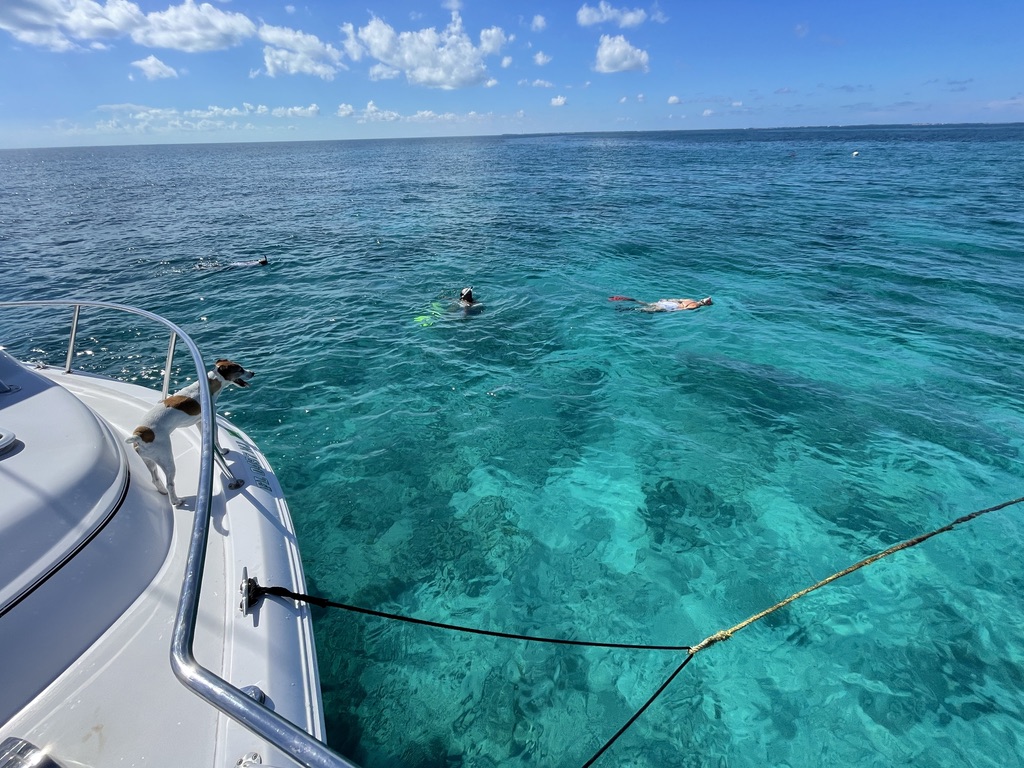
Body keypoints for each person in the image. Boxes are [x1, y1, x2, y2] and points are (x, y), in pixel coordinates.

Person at [636, 296, 713, 312]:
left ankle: (634, 300)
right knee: (647, 310)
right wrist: (671, 311)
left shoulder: (689, 299)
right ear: (705, 305)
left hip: (669, 302)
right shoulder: (696, 306)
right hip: (673, 306)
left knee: (648, 304)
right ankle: (633, 309)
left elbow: (677, 299)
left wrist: (667, 300)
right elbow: (684, 309)